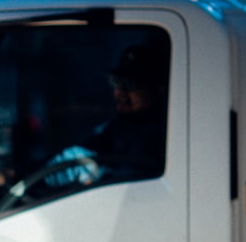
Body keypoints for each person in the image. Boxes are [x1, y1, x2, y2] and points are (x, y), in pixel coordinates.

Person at [46, 43, 169, 188]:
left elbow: (130, 181)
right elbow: (77, 156)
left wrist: (98, 178)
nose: (119, 92)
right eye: (116, 81)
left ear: (158, 89)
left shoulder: (163, 134)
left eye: (131, 83)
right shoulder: (116, 128)